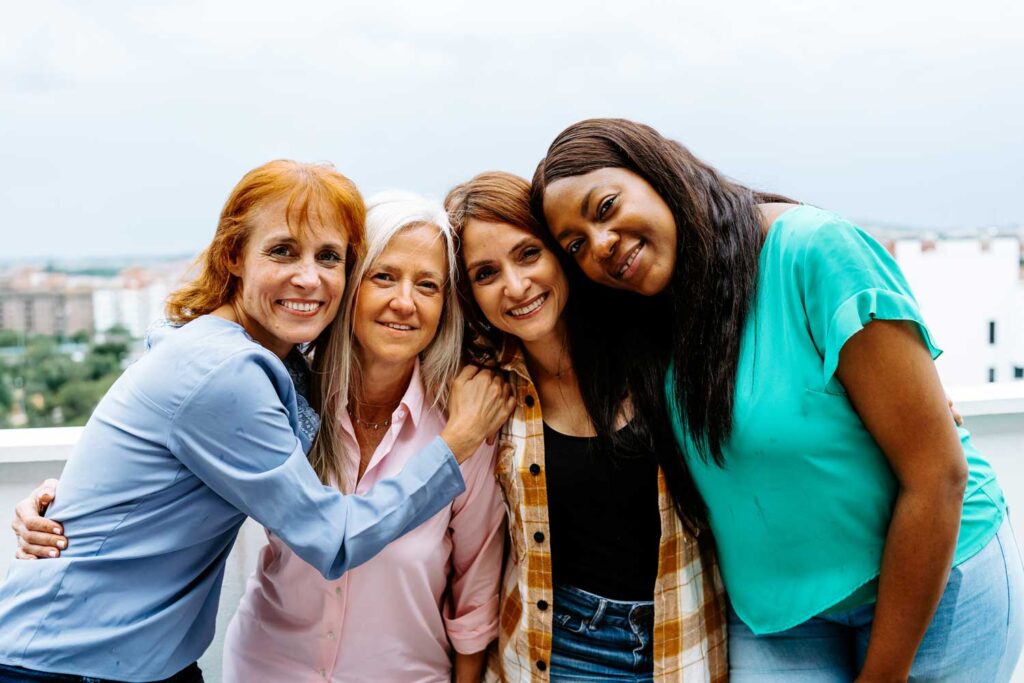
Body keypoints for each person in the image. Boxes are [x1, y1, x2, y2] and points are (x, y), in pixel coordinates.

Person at [529, 119, 1024, 681]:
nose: (600, 244)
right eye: (575, 245)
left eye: (606, 206)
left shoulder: (811, 250)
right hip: (779, 616)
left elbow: (938, 475)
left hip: (937, 590)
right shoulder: (643, 315)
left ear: (657, 173)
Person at [0, 161, 512, 683]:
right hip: (72, 664)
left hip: (138, 662)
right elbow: (332, 539)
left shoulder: (274, 376)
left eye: (328, 257)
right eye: (283, 251)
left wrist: (70, 502)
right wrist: (456, 444)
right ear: (233, 256)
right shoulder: (231, 372)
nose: (308, 277)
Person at [445, 171, 727, 682]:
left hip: (684, 640)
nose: (515, 286)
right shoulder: (482, 389)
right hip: (559, 650)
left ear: (561, 252)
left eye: (528, 254)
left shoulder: (654, 342)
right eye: (485, 274)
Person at [220, 192, 505, 682]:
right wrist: (54, 502)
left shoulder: (464, 424)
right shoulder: (285, 400)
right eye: (384, 276)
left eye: (428, 285)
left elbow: (475, 594)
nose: (404, 302)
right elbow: (179, 471)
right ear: (350, 284)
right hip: (266, 669)